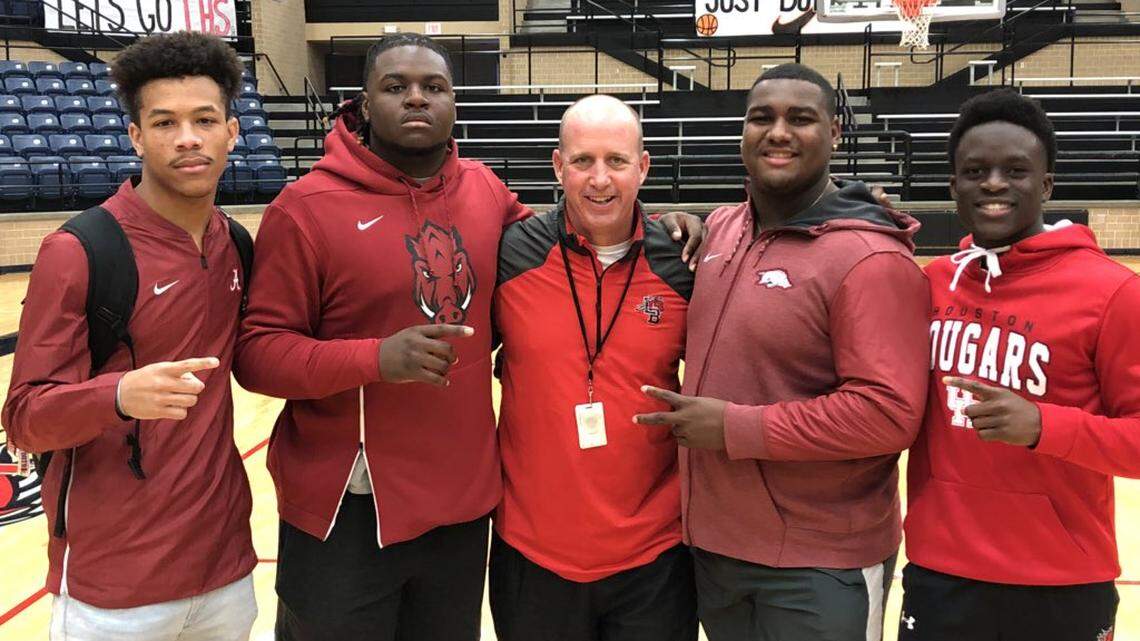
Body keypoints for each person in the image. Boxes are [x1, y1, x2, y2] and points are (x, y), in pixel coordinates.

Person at [233, 34, 702, 640]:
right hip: (347, 508)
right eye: (396, 86)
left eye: (434, 87)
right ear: (363, 104)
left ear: (455, 102)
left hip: (461, 510)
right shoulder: (306, 207)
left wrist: (670, 228)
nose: (416, 99)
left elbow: (582, 236)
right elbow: (256, 354)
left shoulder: (483, 191)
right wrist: (375, 357)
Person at [635, 63, 930, 641]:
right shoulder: (719, 230)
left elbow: (889, 414)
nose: (778, 132)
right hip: (716, 550)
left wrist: (736, 428)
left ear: (836, 134)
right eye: (761, 118)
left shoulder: (871, 260)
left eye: (801, 119)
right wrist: (676, 221)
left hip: (820, 564)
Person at [2, 32, 257, 640]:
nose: (188, 138)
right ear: (137, 136)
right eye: (164, 122)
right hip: (114, 587)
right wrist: (115, 396)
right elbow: (24, 418)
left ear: (232, 131)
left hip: (226, 569)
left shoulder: (236, 245)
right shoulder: (79, 250)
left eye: (204, 119)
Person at [899, 89, 1138, 641]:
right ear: (954, 185)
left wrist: (1044, 426)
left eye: (1016, 170)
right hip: (942, 571)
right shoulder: (932, 284)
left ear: (1047, 185)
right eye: (975, 170)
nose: (993, 183)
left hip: (1062, 580)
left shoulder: (1114, 294)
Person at [490, 95, 697, 641]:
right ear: (558, 166)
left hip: (654, 555)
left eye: (617, 161)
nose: (599, 179)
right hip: (532, 553)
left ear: (644, 166)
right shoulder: (512, 252)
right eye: (583, 161)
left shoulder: (684, 263)